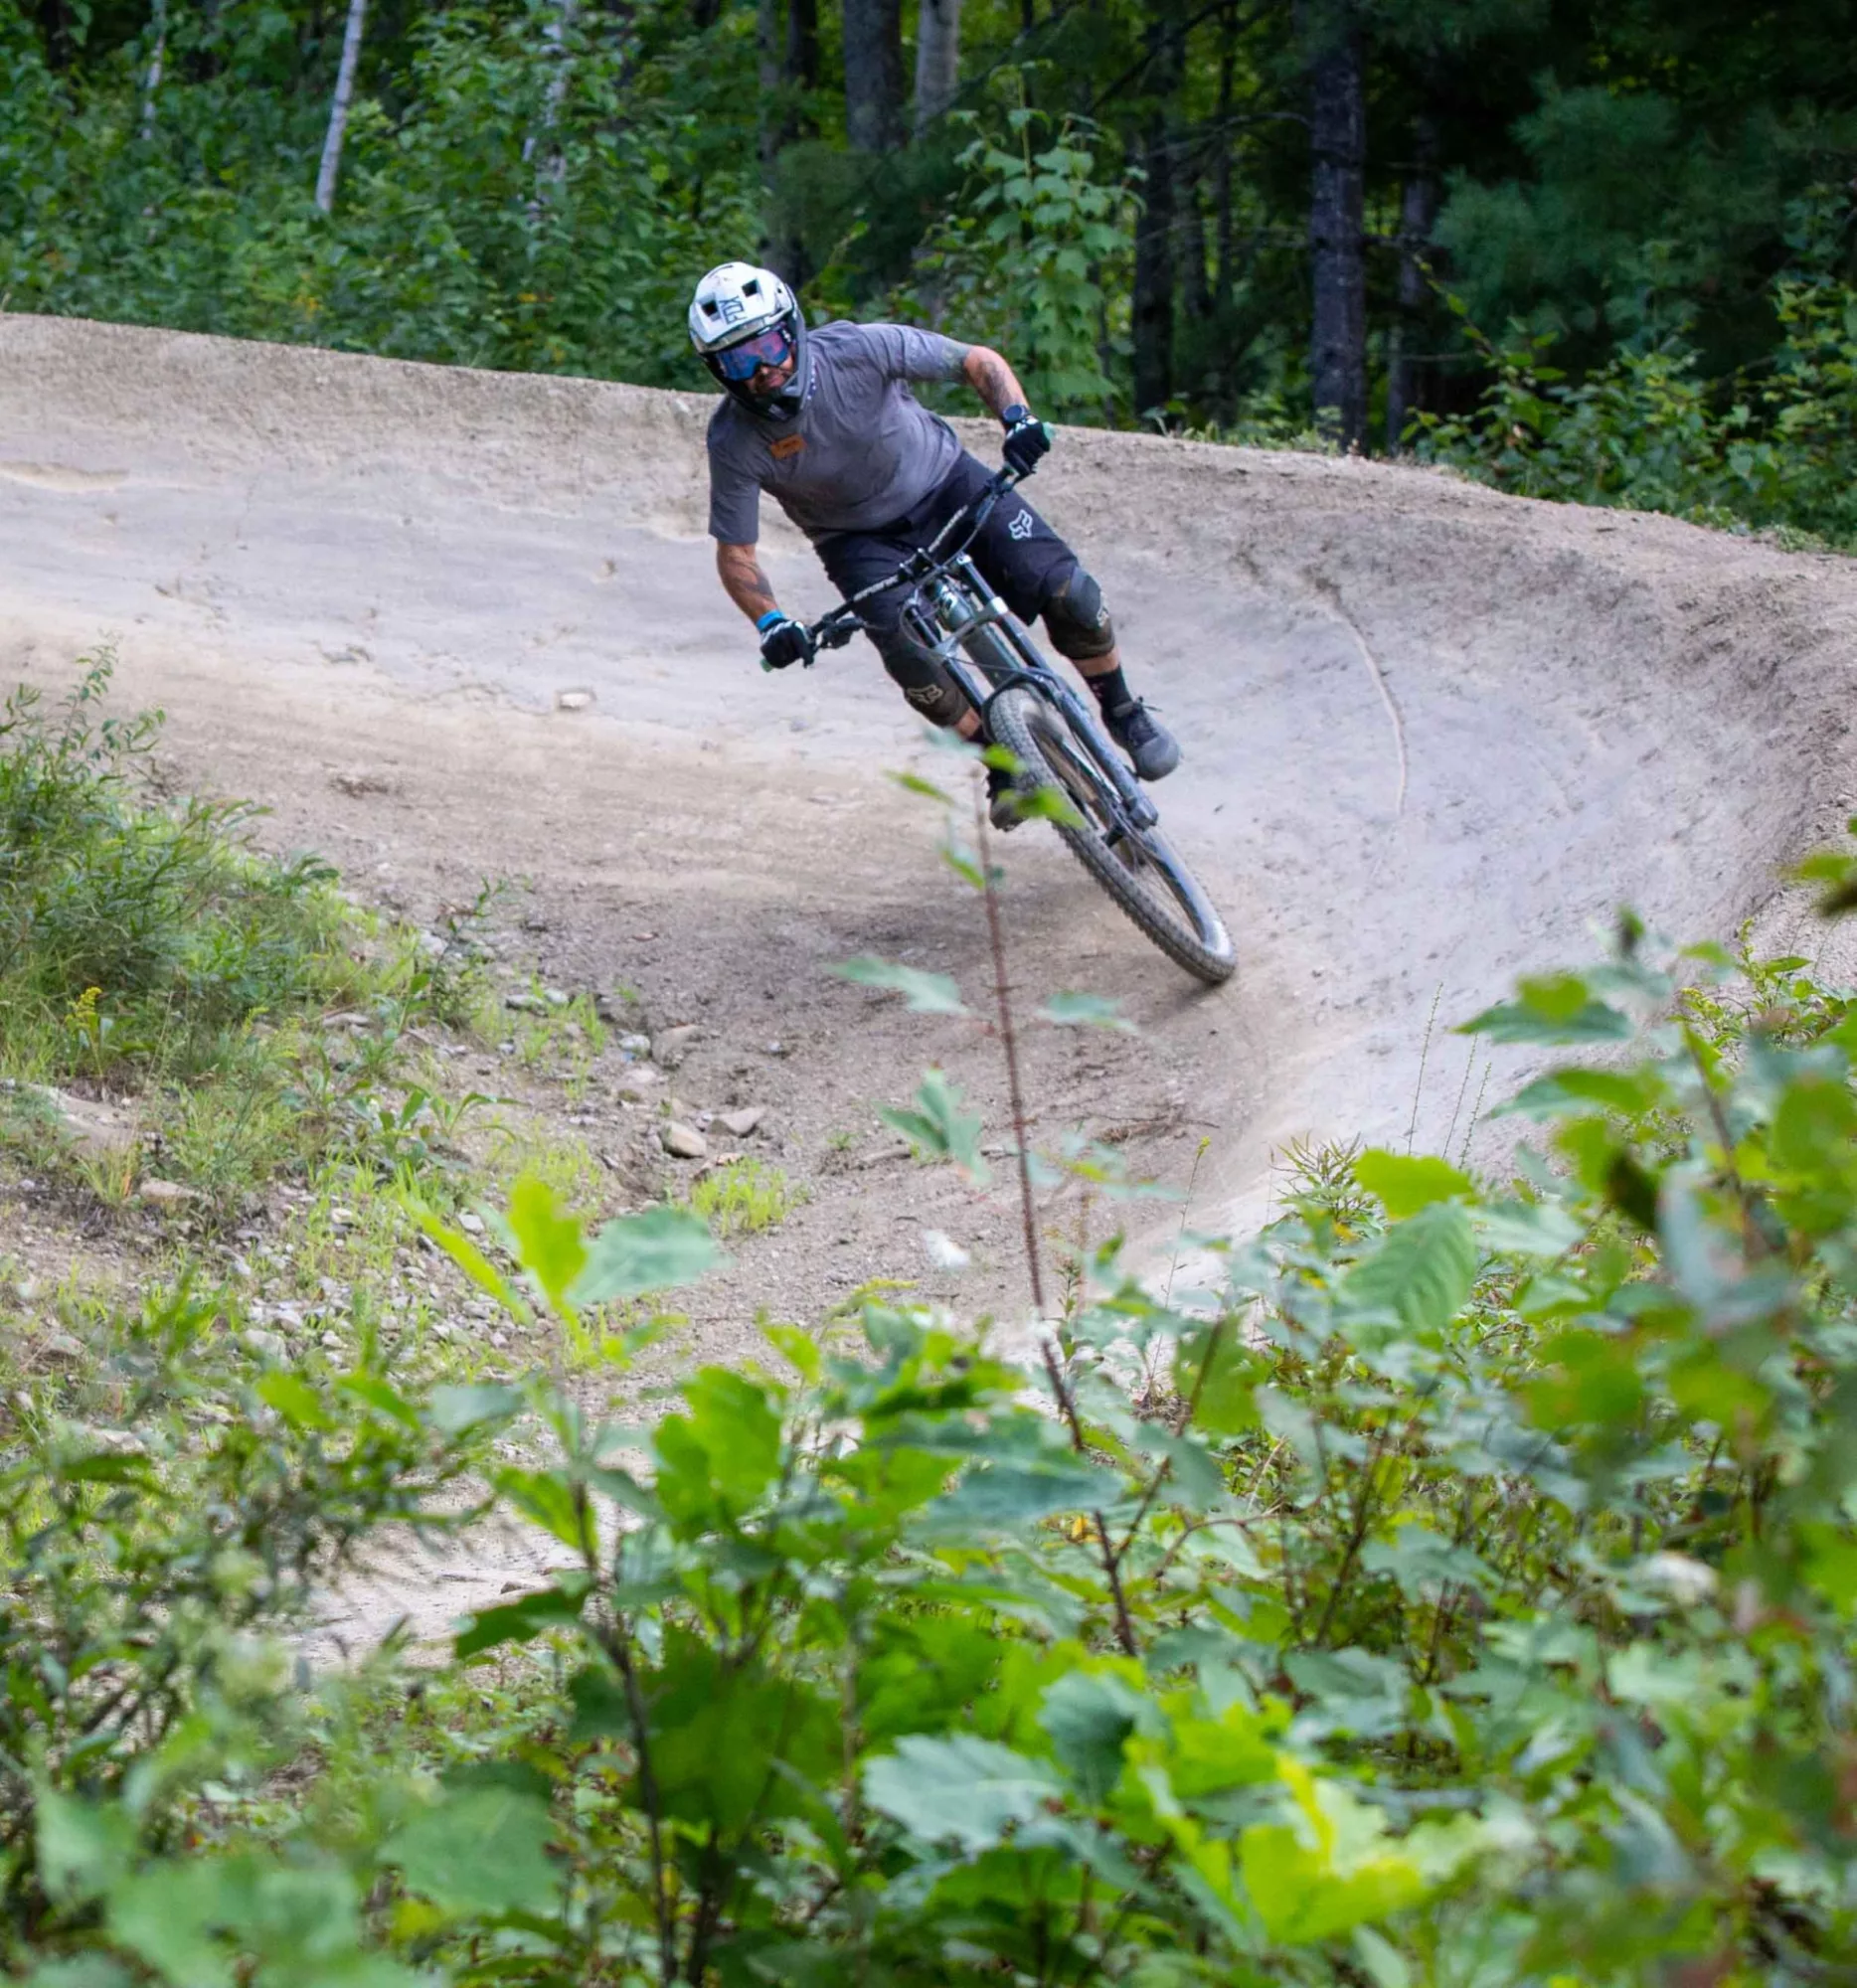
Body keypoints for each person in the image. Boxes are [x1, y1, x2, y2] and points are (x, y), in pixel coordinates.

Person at [689, 260, 1181, 827]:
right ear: (717, 370)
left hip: (949, 484)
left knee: (1069, 592)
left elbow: (975, 361)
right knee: (913, 663)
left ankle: (1122, 710)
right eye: (738, 360)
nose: (764, 369)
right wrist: (771, 623)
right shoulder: (732, 440)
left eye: (769, 344)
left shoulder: (859, 348)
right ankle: (1003, 766)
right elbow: (736, 554)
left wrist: (1017, 420)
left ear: (793, 327)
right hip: (856, 542)